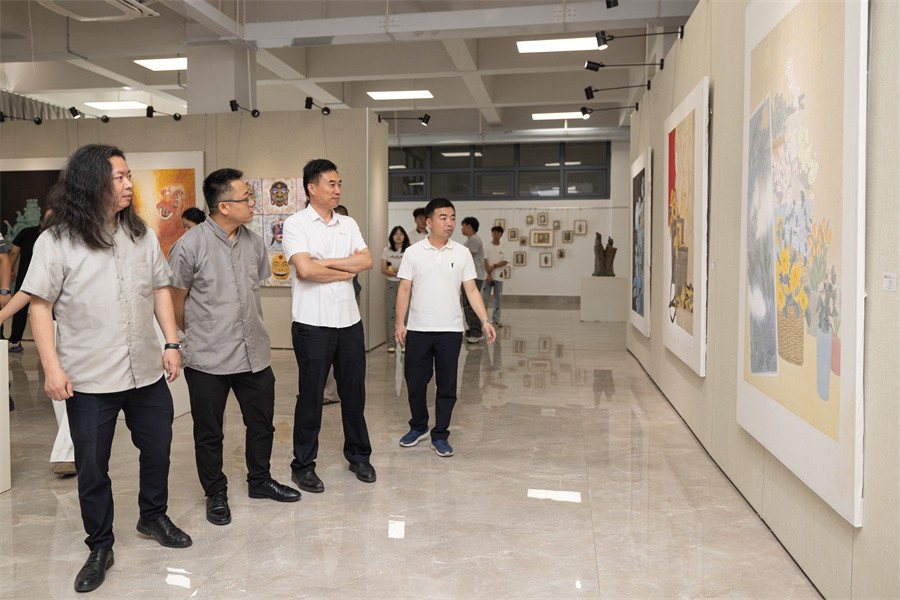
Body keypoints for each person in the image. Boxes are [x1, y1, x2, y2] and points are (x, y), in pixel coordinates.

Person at [21, 144, 192, 594]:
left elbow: (160, 288)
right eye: (120, 177)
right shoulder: (55, 241)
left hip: (145, 371)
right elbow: (39, 307)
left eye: (129, 175)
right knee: (93, 467)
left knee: (158, 449)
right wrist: (51, 368)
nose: (129, 184)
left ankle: (153, 516)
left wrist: (171, 341)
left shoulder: (141, 234)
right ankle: (99, 545)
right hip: (89, 377)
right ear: (92, 182)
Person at [168, 168, 300, 527]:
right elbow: (175, 301)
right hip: (207, 357)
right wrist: (197, 333)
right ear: (224, 206)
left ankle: (260, 480)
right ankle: (215, 493)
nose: (253, 203)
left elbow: (252, 288)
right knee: (209, 432)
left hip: (253, 352)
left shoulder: (254, 243)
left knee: (262, 424)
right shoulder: (189, 246)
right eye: (247, 198)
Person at [282, 158, 376, 493]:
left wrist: (329, 264)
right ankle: (303, 466)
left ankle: (359, 457)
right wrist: (346, 269)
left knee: (354, 394)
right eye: (331, 184)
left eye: (339, 184)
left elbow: (366, 261)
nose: (337, 190)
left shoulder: (347, 223)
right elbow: (306, 270)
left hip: (349, 322)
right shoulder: (295, 224)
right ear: (312, 188)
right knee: (311, 397)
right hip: (312, 324)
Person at [394, 198, 496, 457]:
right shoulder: (413, 252)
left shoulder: (461, 253)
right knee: (415, 383)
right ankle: (419, 426)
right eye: (443, 217)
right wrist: (400, 323)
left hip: (450, 329)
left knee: (447, 385)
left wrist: (485, 320)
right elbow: (404, 289)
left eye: (452, 217)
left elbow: (471, 290)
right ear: (428, 222)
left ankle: (440, 433)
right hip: (418, 328)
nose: (449, 223)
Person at [5, 207, 51, 352]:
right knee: (47, 310)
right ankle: (47, 346)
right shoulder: (57, 236)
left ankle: (15, 341)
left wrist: (9, 271)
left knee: (20, 310)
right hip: (48, 280)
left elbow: (13, 253)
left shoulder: (26, 232)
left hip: (26, 277)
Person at [381, 225, 410, 353]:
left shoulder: (408, 251)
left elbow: (410, 269)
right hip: (391, 284)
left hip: (405, 285)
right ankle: (391, 343)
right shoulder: (387, 251)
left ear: (405, 236)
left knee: (406, 315)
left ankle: (404, 344)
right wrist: (398, 272)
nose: (398, 236)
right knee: (390, 314)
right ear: (392, 236)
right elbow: (385, 269)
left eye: (401, 234)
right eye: (395, 234)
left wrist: (396, 271)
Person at [460, 216, 486, 343]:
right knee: (467, 305)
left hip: (474, 277)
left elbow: (468, 257)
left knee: (471, 305)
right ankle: (471, 330)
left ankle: (477, 332)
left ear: (469, 226)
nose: (462, 229)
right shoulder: (469, 240)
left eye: (463, 226)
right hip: (468, 277)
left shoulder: (474, 239)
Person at [481, 225, 509, 327]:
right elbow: (484, 260)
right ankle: (483, 320)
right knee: (484, 299)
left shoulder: (504, 248)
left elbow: (505, 261)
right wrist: (489, 274)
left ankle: (496, 320)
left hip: (499, 277)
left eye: (498, 233)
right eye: (494, 232)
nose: (496, 234)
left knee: (498, 299)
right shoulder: (486, 246)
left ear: (501, 235)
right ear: (491, 234)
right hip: (487, 278)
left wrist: (495, 266)